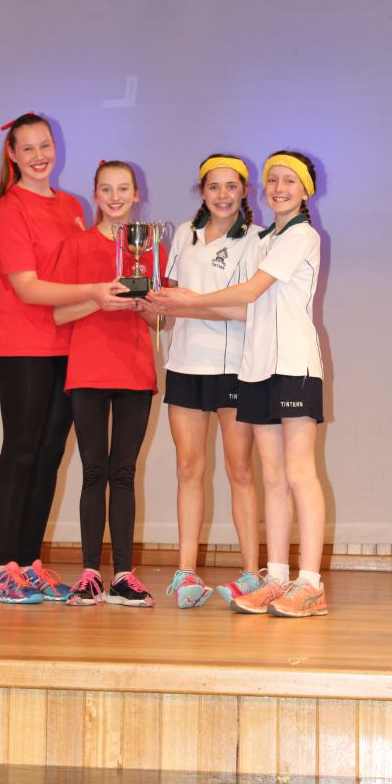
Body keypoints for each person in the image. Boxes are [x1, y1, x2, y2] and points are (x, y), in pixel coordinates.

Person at [149, 151, 328, 618]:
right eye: (274, 180)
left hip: (293, 366)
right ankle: (276, 578)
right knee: (272, 476)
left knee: (299, 473)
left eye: (290, 181)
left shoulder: (300, 235)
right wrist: (169, 305)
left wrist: (190, 300)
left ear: (306, 191)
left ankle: (311, 584)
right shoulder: (267, 240)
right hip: (257, 369)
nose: (280, 188)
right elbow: (243, 308)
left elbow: (248, 294)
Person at [0, 114, 127, 604]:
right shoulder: (8, 209)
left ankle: (28, 565)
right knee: (21, 450)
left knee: (49, 456)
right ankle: (2, 569)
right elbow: (27, 287)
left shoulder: (71, 206)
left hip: (70, 345)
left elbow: (84, 266)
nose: (39, 156)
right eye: (28, 149)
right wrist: (94, 291)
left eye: (45, 145)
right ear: (13, 155)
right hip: (22, 345)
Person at [54, 160, 165, 607]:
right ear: (95, 194)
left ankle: (122, 575)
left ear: (136, 194)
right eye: (106, 189)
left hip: (135, 371)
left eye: (123, 189)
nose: (115, 197)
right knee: (93, 471)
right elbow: (60, 312)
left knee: (124, 473)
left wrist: (145, 307)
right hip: (88, 370)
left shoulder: (150, 247)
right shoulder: (77, 245)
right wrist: (100, 299)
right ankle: (89, 574)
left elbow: (161, 319)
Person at [156, 154, 263, 609]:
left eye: (231, 186)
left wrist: (191, 303)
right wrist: (150, 304)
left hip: (237, 366)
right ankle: (185, 573)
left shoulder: (259, 239)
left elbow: (249, 310)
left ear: (244, 191)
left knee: (241, 471)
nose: (223, 195)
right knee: (188, 469)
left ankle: (252, 574)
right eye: (214, 186)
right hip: (185, 364)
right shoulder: (184, 234)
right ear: (202, 191)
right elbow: (168, 301)